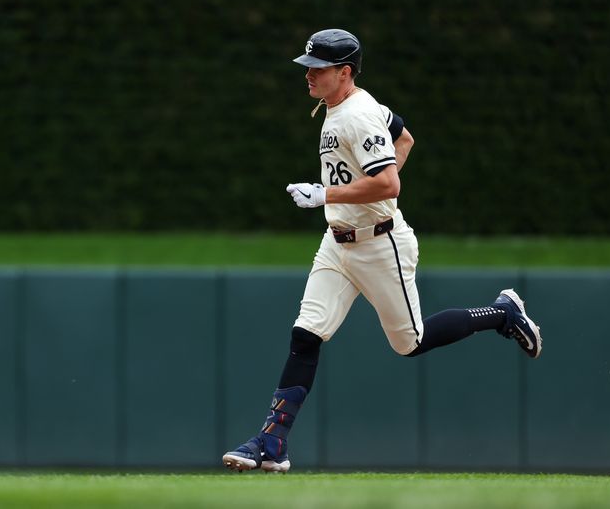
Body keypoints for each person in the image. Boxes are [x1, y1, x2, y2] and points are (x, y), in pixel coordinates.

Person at [221, 28, 543, 473]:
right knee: (306, 334)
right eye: (308, 67)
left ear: (345, 72)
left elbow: (390, 181)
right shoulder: (351, 105)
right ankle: (272, 442)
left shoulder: (356, 116)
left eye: (318, 68)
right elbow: (405, 138)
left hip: (379, 243)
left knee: (411, 343)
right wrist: (347, 199)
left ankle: (502, 313)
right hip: (337, 243)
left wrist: (326, 194)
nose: (308, 75)